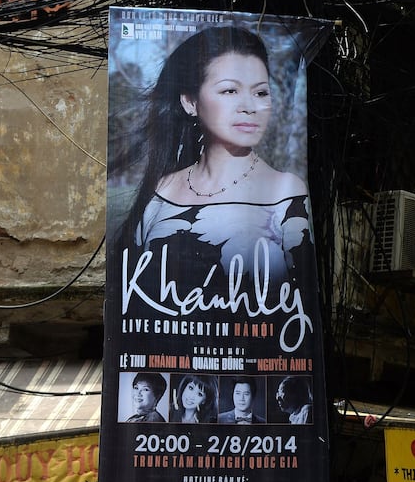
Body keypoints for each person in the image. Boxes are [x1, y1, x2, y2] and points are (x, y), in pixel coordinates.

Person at [117, 25, 313, 287]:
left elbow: (300, 300)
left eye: (261, 92)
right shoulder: (162, 190)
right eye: (230, 90)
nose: (249, 107)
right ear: (190, 102)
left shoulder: (285, 192)